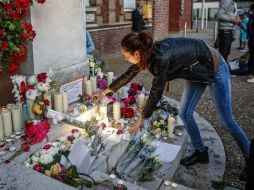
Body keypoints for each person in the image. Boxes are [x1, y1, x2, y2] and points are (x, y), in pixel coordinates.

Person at [93, 31, 250, 170]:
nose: (125, 60)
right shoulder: (146, 54)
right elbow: (129, 73)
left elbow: (156, 92)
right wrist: (106, 91)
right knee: (185, 113)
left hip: (214, 67)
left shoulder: (159, 59)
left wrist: (142, 118)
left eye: (125, 56)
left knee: (226, 121)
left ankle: (250, 158)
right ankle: (201, 152)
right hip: (195, 69)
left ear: (136, 53)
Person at [246, 3, 254, 83]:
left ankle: (251, 73)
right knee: (252, 58)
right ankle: (251, 74)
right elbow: (250, 29)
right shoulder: (252, 18)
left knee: (252, 57)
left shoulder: (251, 17)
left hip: (251, 40)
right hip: (252, 41)